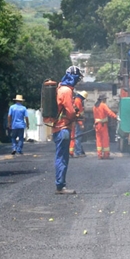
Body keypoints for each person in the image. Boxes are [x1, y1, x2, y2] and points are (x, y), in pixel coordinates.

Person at [53, 66, 83, 194]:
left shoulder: (61, 89)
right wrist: (75, 115)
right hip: (63, 128)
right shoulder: (66, 91)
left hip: (58, 127)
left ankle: (60, 184)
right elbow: (70, 112)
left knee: (61, 156)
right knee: (62, 158)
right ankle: (60, 186)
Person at [93, 93, 117, 160]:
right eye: (105, 99)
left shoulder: (95, 106)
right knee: (105, 140)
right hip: (103, 125)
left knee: (98, 140)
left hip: (97, 125)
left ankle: (99, 155)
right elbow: (109, 112)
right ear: (103, 99)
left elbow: (95, 116)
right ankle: (106, 155)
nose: (106, 100)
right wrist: (116, 117)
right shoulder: (103, 105)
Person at [69, 90, 88, 158]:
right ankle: (78, 152)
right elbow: (79, 115)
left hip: (75, 121)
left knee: (76, 136)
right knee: (78, 137)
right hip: (78, 121)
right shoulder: (78, 101)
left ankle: (77, 151)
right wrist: (81, 124)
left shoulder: (76, 100)